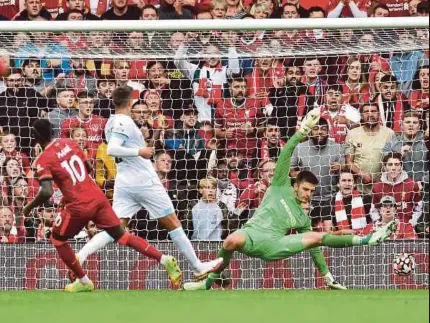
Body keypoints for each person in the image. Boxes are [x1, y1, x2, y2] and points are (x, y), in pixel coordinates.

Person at [183, 108, 398, 291]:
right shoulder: (279, 185)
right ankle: (209, 282)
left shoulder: (303, 217)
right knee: (230, 241)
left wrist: (326, 276)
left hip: (276, 245)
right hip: (251, 234)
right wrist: (302, 132)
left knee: (318, 237)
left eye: (312, 192)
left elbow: (314, 248)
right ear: (296, 185)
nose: (308, 194)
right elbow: (286, 152)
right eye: (305, 189)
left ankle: (366, 240)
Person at [75, 86, 223, 279]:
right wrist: (140, 151)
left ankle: (80, 255)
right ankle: (197, 266)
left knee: (116, 228)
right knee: (173, 223)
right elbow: (112, 149)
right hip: (143, 182)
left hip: (125, 182)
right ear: (130, 103)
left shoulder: (110, 122)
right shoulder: (123, 122)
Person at [23, 119, 182, 292]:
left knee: (58, 239)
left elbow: (46, 192)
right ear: (53, 131)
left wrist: (28, 207)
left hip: (79, 205)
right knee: (122, 236)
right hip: (98, 198)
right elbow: (89, 168)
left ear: (36, 137)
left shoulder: (43, 159)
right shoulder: (69, 142)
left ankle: (83, 281)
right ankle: (165, 259)